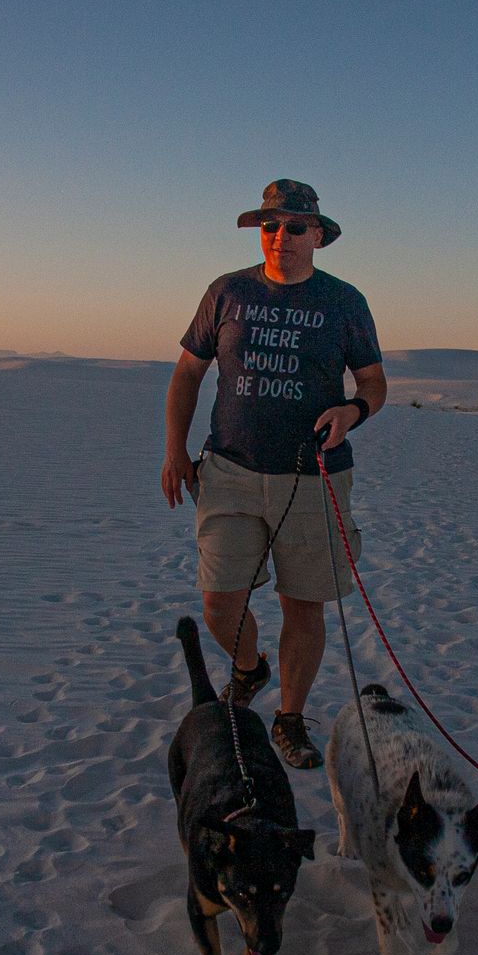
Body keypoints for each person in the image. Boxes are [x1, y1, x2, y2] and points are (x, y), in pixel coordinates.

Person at [161, 179, 388, 769]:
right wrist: (174, 451)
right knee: (218, 602)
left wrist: (352, 411)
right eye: (270, 225)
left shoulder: (344, 302)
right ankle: (248, 667)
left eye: (293, 227)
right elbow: (188, 373)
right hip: (230, 472)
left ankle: (289, 718)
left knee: (303, 605)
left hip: (314, 478)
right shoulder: (228, 291)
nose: (279, 236)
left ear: (317, 235)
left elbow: (374, 384)